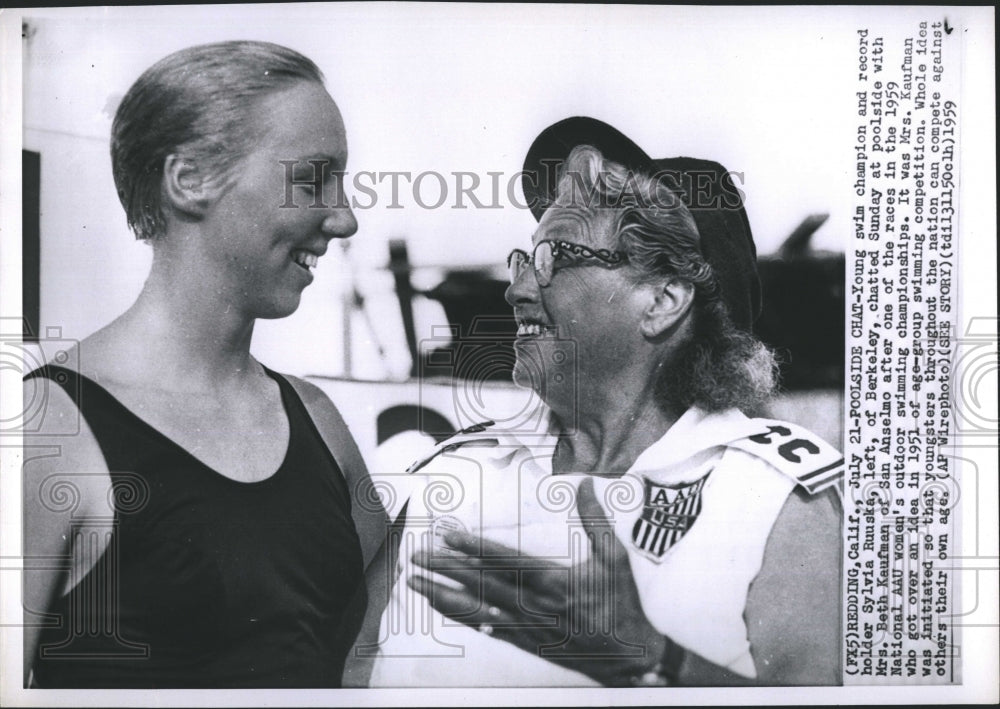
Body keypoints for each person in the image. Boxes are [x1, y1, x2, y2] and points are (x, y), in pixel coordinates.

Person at [368, 117, 843, 687]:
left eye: (556, 259)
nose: (516, 289)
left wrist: (649, 657)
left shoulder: (776, 491)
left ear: (662, 300)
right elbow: (347, 672)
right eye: (526, 259)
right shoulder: (452, 469)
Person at [22, 41, 387, 688]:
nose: (346, 216)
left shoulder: (317, 421)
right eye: (313, 177)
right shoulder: (47, 433)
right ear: (189, 180)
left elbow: (377, 653)